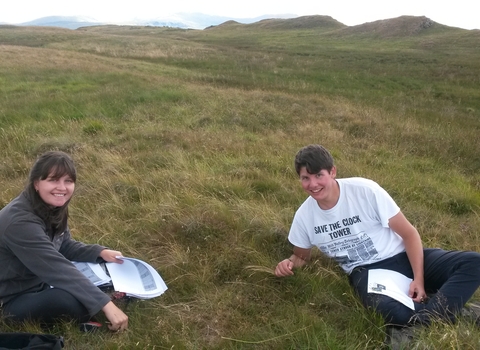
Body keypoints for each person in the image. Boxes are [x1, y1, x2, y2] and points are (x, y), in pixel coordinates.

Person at [275, 144, 480, 326]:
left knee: (473, 262)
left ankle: (428, 315)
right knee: (386, 311)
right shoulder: (304, 216)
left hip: (402, 256)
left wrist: (419, 279)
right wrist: (288, 264)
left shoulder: (365, 191)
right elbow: (301, 256)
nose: (313, 184)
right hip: (367, 271)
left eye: (318, 175)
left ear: (332, 172)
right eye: (305, 178)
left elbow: (409, 234)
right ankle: (450, 313)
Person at [0, 151, 128, 332]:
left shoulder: (52, 205)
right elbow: (54, 266)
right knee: (67, 301)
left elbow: (63, 244)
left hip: (40, 282)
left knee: (88, 284)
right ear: (36, 183)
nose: (62, 187)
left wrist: (99, 252)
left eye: (68, 181)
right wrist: (105, 303)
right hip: (11, 297)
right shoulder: (19, 222)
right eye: (53, 180)